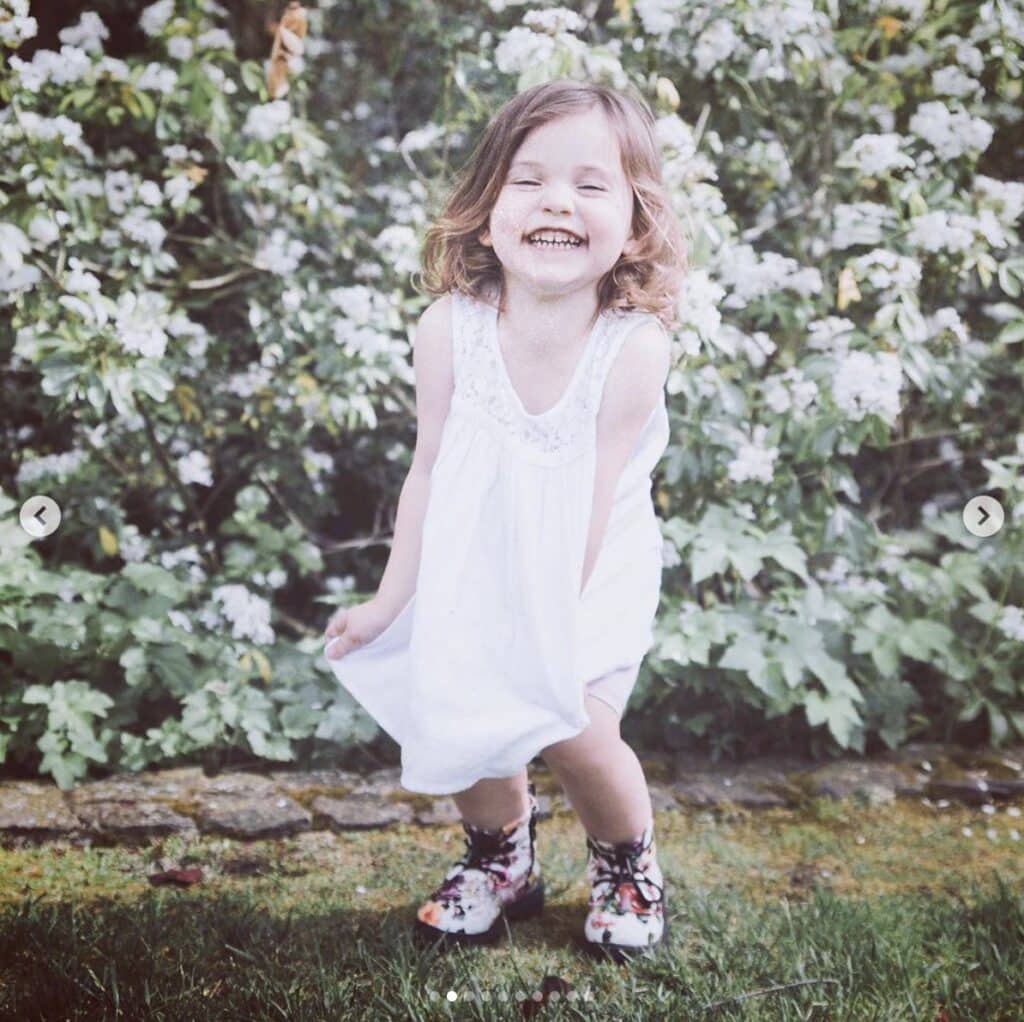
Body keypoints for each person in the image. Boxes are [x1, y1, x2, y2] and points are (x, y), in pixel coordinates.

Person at [323, 78, 687, 962]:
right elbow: (429, 470)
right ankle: (501, 858)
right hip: (478, 554)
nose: (558, 199)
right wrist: (391, 600)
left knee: (577, 730)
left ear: (633, 226)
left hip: (589, 569)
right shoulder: (449, 330)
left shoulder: (633, 350)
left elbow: (597, 492)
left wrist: (549, 619)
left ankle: (626, 862)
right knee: (470, 706)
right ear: (487, 214)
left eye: (591, 186)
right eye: (530, 180)